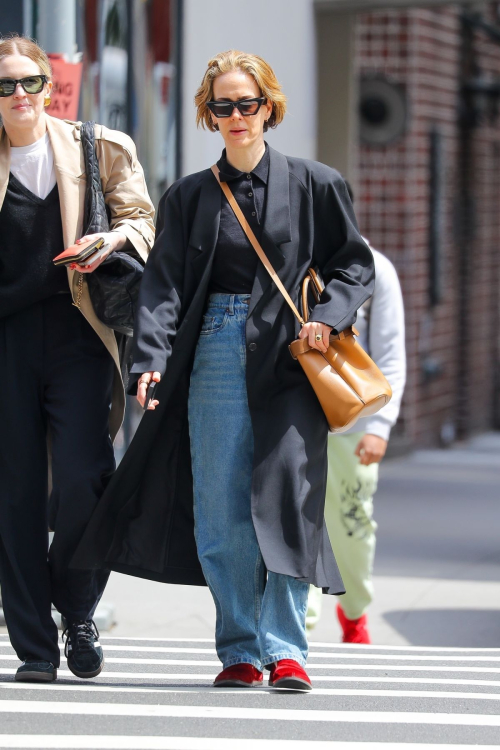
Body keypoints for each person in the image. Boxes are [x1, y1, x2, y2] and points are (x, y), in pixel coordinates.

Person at [72, 50, 374, 691]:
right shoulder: (188, 196)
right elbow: (163, 288)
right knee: (221, 506)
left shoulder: (316, 183)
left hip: (292, 355)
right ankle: (240, 644)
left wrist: (329, 313)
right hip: (211, 349)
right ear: (208, 114)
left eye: (247, 103)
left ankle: (287, 648)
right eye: (222, 105)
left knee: (290, 496)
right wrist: (150, 361)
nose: (236, 116)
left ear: (269, 107)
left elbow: (354, 265)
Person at [0, 35, 155, 683]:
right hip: (5, 342)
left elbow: (145, 222)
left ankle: (78, 606)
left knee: (87, 482)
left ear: (48, 83)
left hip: (79, 336)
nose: (18, 97)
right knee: (14, 496)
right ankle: (35, 647)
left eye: (28, 82)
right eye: (4, 86)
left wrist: (113, 236)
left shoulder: (98, 148)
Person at [307, 182, 406, 643]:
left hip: (356, 420)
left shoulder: (376, 268)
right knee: (295, 519)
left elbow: (390, 351)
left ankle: (355, 609)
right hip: (296, 416)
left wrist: (381, 427)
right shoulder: (294, 261)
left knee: (350, 525)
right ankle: (297, 623)